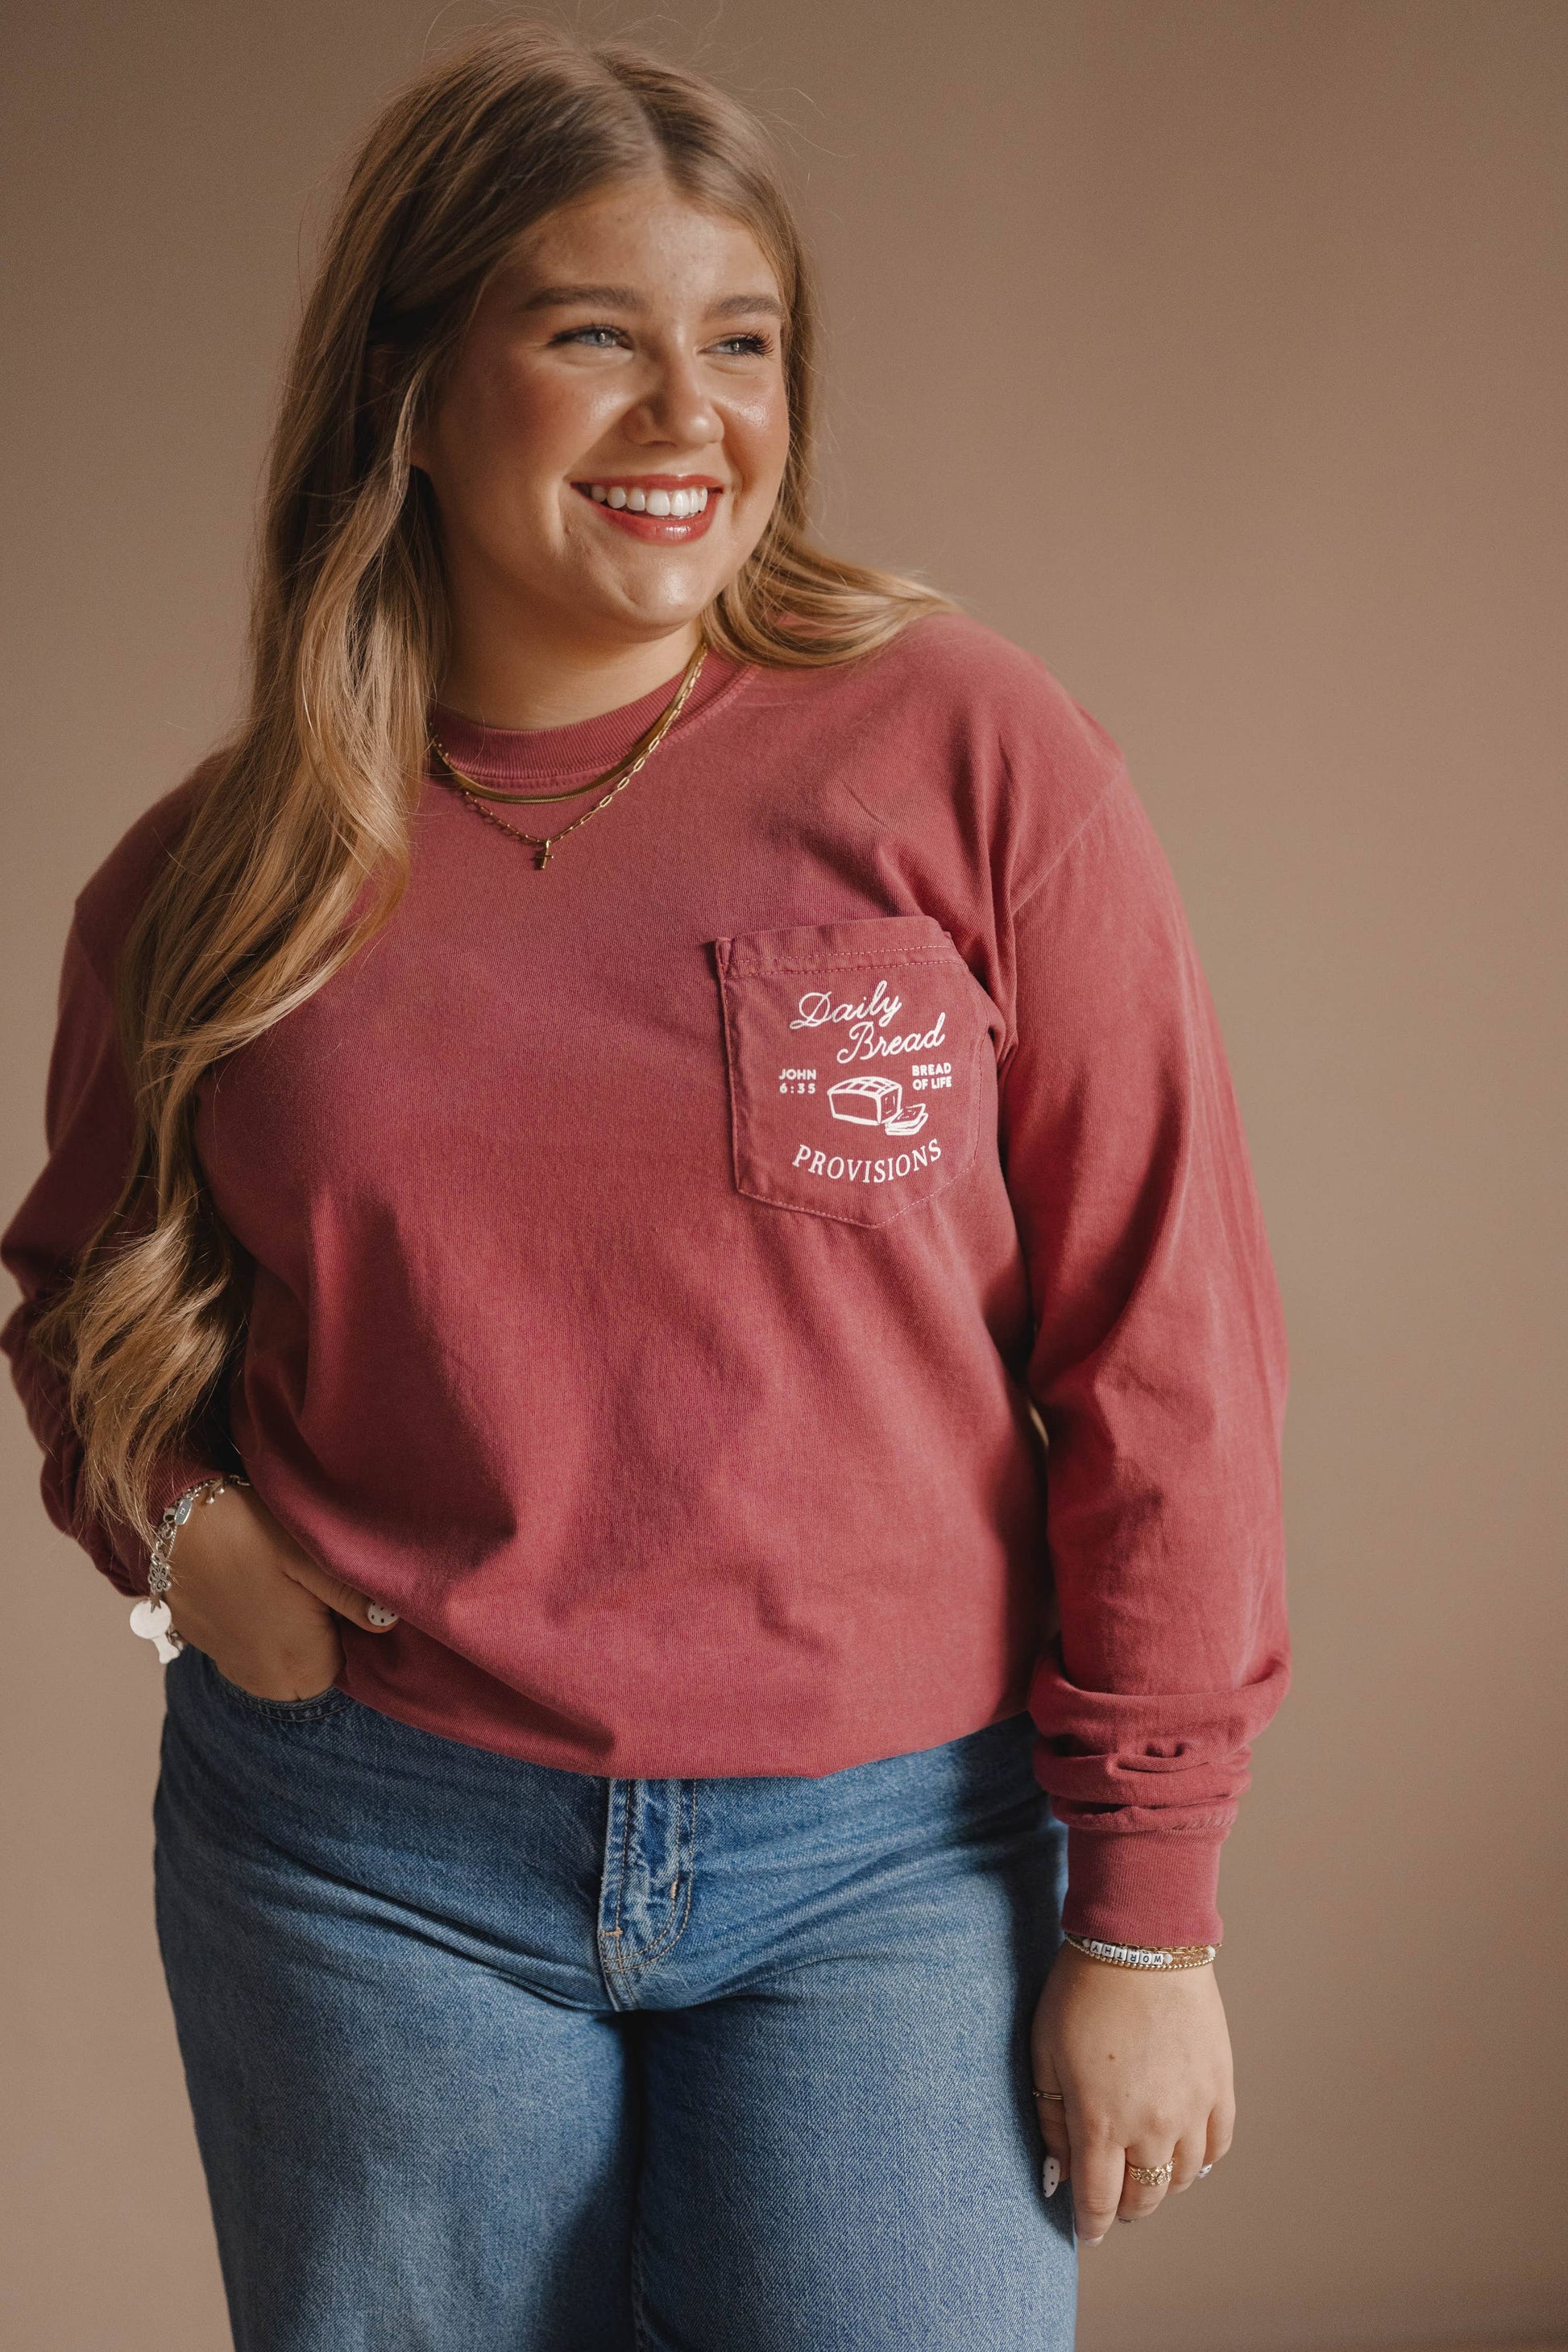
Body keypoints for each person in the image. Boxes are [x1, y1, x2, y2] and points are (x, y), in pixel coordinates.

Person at [1, 25, 1289, 2352]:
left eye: (742, 342)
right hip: (366, 1866)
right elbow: (74, 1286)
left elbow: (1162, 1345)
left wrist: (1147, 1915)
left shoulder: (963, 750)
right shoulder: (217, 875)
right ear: (410, 379)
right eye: (592, 334)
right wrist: (186, 1549)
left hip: (897, 1866)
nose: (688, 414)